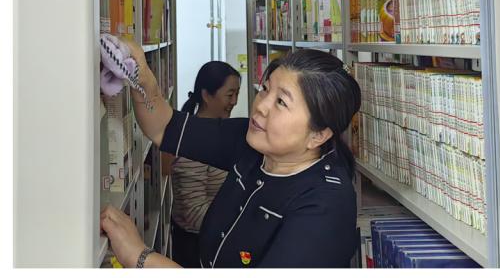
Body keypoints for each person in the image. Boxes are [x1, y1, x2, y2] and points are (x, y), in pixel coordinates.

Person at [100, 46, 361, 268]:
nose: (261, 105)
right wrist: (140, 76)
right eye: (265, 89)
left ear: (318, 134)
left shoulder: (326, 205)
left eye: (281, 102)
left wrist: (139, 256)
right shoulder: (252, 139)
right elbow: (164, 127)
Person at [170, 62, 241, 267]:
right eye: (230, 95)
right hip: (197, 248)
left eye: (237, 94)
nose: (235, 101)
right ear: (206, 95)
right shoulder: (194, 143)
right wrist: (240, 219)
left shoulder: (222, 132)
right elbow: (192, 214)